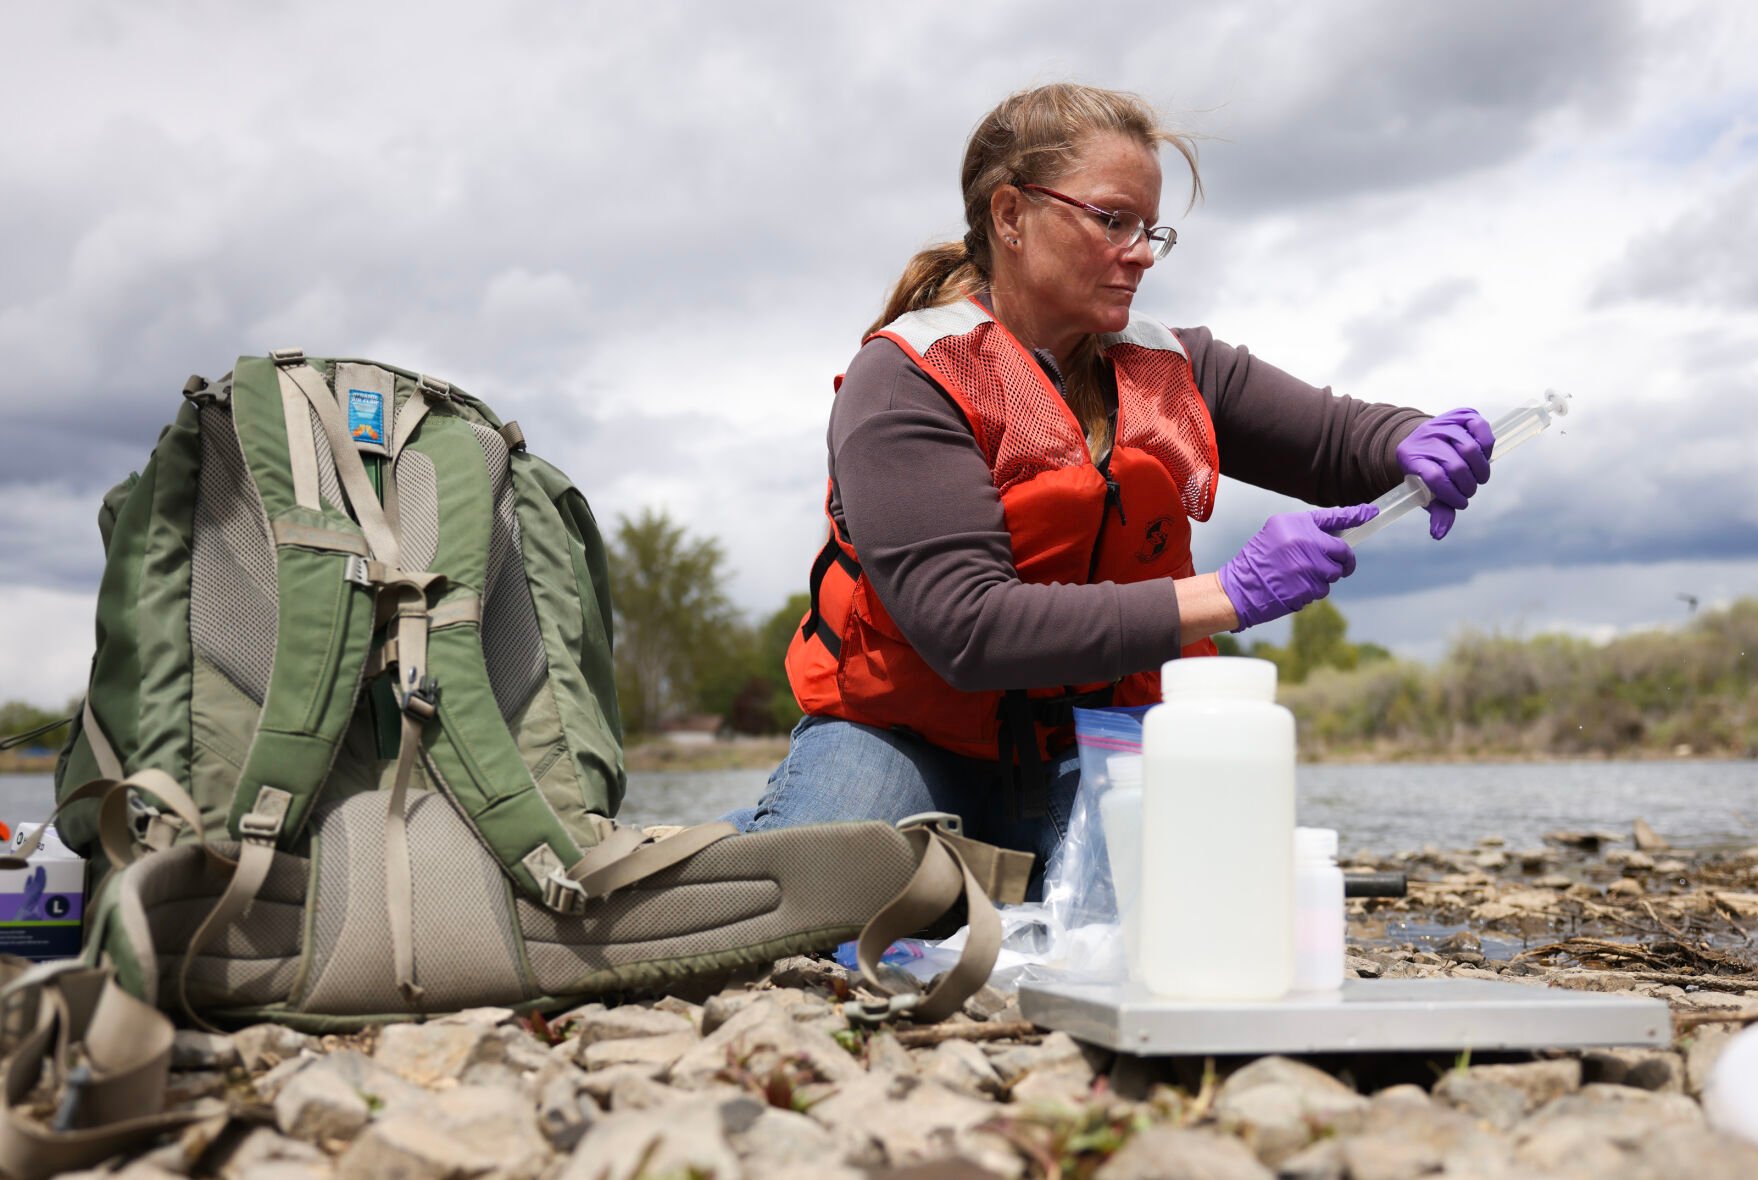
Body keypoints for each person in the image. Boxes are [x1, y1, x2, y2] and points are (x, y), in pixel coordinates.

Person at [726, 83, 1492, 894]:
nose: (1142, 252)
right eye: (1112, 220)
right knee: (809, 903)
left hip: (1097, 736)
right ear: (1011, 215)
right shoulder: (903, 382)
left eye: (1151, 228)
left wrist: (1413, 438)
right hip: (903, 735)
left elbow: (1342, 440)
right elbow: (968, 629)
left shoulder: (1176, 366)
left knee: (1160, 919)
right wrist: (1227, 594)